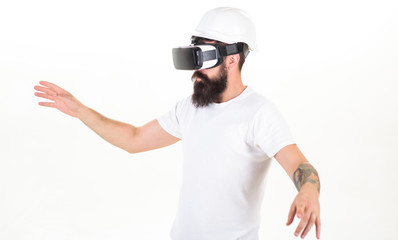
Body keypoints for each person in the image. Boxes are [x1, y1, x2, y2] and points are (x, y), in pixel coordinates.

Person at [34, 7, 321, 240]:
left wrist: (307, 191)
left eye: (204, 58)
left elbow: (299, 164)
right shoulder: (190, 108)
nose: (196, 69)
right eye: (193, 55)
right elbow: (133, 139)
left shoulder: (259, 113)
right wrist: (81, 111)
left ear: (232, 60)